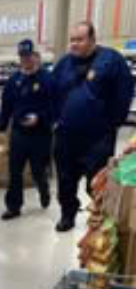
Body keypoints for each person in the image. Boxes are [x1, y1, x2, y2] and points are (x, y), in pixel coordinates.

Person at [50, 20, 135, 232]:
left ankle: (98, 221)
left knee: (96, 183)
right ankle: (67, 215)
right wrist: (55, 120)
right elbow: (52, 91)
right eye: (72, 40)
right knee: (66, 180)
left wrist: (112, 123)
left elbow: (124, 92)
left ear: (92, 39)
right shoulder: (64, 64)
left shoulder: (111, 60)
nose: (74, 44)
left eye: (79, 39)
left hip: (97, 138)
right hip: (67, 136)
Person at [0, 39, 53, 220]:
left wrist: (40, 118)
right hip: (19, 134)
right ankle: (13, 207)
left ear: (35, 56)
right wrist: (2, 128)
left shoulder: (46, 79)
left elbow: (54, 107)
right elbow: (6, 106)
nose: (25, 60)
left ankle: (44, 190)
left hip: (40, 135)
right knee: (15, 172)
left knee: (38, 171)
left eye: (28, 56)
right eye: (22, 56)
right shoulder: (13, 81)